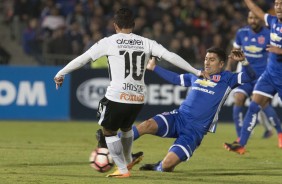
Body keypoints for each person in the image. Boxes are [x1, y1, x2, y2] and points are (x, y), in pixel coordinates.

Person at [54, 8, 209, 178]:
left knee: (108, 132)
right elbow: (171, 56)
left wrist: (61, 72)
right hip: (138, 98)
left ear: (115, 26)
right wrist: (195, 71)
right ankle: (127, 159)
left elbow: (83, 58)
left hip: (117, 95)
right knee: (126, 128)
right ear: (133, 25)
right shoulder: (146, 42)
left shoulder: (109, 41)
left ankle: (122, 169)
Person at [98, 47, 256, 172]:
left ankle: (158, 166)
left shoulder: (228, 79)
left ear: (221, 64)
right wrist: (154, 68)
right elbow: (176, 78)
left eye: (212, 60)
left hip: (195, 130)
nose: (207, 62)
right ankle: (112, 142)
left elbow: (251, 76)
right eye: (206, 59)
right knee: (147, 125)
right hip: (179, 117)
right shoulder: (197, 75)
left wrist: (245, 62)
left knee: (167, 166)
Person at [224, 0, 282, 154]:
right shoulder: (273, 21)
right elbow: (257, 10)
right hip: (269, 75)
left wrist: (280, 51)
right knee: (254, 105)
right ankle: (241, 143)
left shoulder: (268, 30)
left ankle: (280, 133)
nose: (279, 7)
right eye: (276, 4)